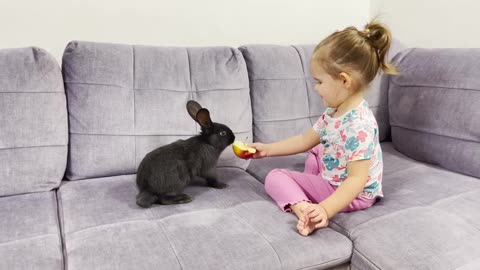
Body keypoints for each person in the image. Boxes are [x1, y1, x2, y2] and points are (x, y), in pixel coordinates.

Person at [249, 19, 398, 236]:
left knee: (275, 177)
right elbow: (304, 140)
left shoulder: (358, 126)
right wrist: (266, 149)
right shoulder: (334, 112)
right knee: (317, 149)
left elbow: (357, 180)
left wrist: (324, 209)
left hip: (353, 193)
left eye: (319, 81)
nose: (316, 88)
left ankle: (305, 210)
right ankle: (310, 192)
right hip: (336, 178)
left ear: (344, 81)